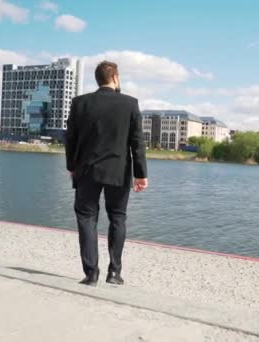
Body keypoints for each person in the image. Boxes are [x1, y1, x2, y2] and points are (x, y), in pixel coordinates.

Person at [65, 61, 148, 286]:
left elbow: (70, 137)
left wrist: (71, 166)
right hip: (118, 172)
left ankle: (91, 273)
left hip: (86, 170)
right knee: (118, 218)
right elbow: (137, 141)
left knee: (86, 218)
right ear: (116, 77)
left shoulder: (80, 103)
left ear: (97, 78)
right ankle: (114, 273)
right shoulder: (130, 104)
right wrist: (141, 173)